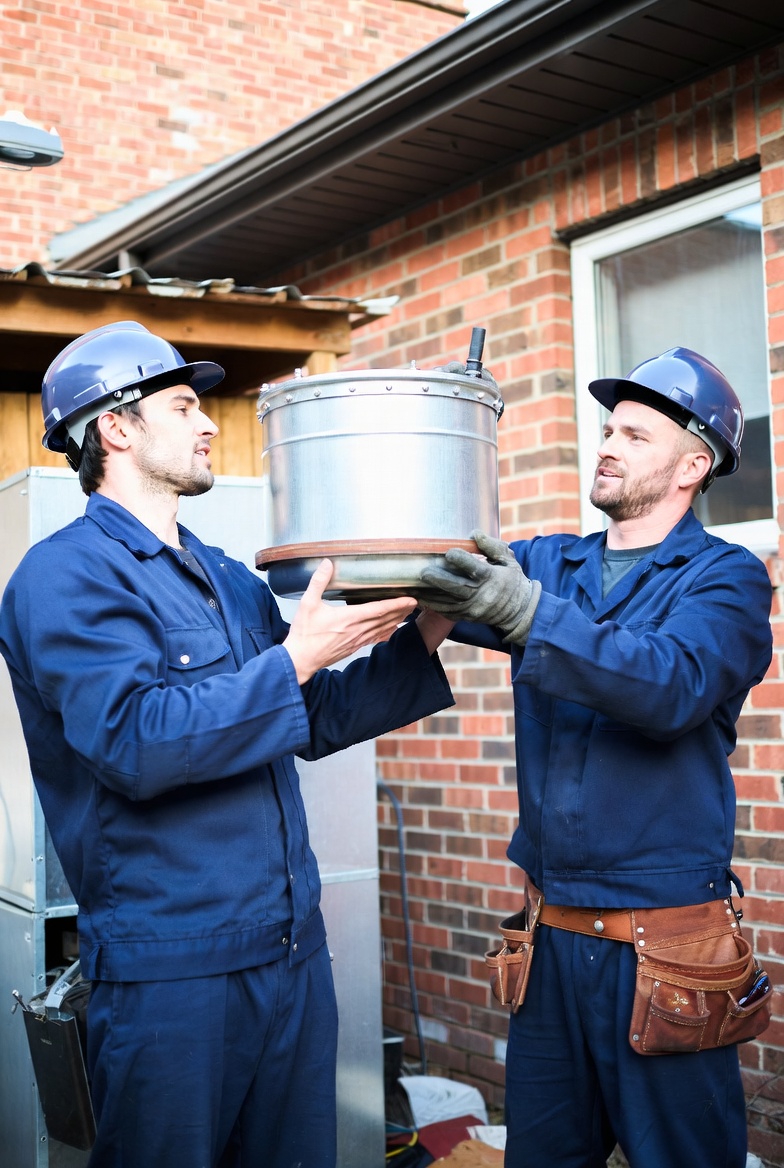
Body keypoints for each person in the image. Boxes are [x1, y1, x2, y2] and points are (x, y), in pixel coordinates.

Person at [0, 320, 455, 1168]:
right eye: (183, 405)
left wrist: (429, 624)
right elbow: (134, 743)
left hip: (289, 956)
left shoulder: (225, 577)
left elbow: (308, 715)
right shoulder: (63, 578)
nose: (210, 423)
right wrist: (292, 659)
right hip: (173, 977)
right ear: (117, 428)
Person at [417, 347, 774, 1168]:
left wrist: (528, 615)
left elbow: (671, 686)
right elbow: (424, 563)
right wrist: (442, 430)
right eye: (607, 429)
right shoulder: (552, 565)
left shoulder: (726, 581)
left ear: (693, 465)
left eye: (635, 435)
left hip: (668, 955)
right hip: (548, 948)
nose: (607, 445)